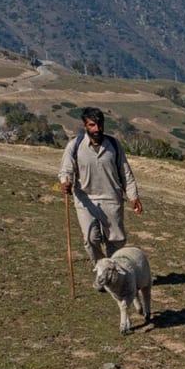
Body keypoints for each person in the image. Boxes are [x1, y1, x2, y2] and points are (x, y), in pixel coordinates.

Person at [58, 107, 142, 266]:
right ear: (85, 126)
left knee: (116, 241)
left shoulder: (114, 145)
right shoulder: (74, 146)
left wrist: (133, 196)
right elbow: (66, 170)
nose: (97, 129)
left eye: (99, 124)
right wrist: (65, 182)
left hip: (112, 199)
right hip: (85, 201)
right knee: (91, 239)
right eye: (92, 125)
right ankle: (101, 268)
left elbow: (125, 173)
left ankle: (114, 272)